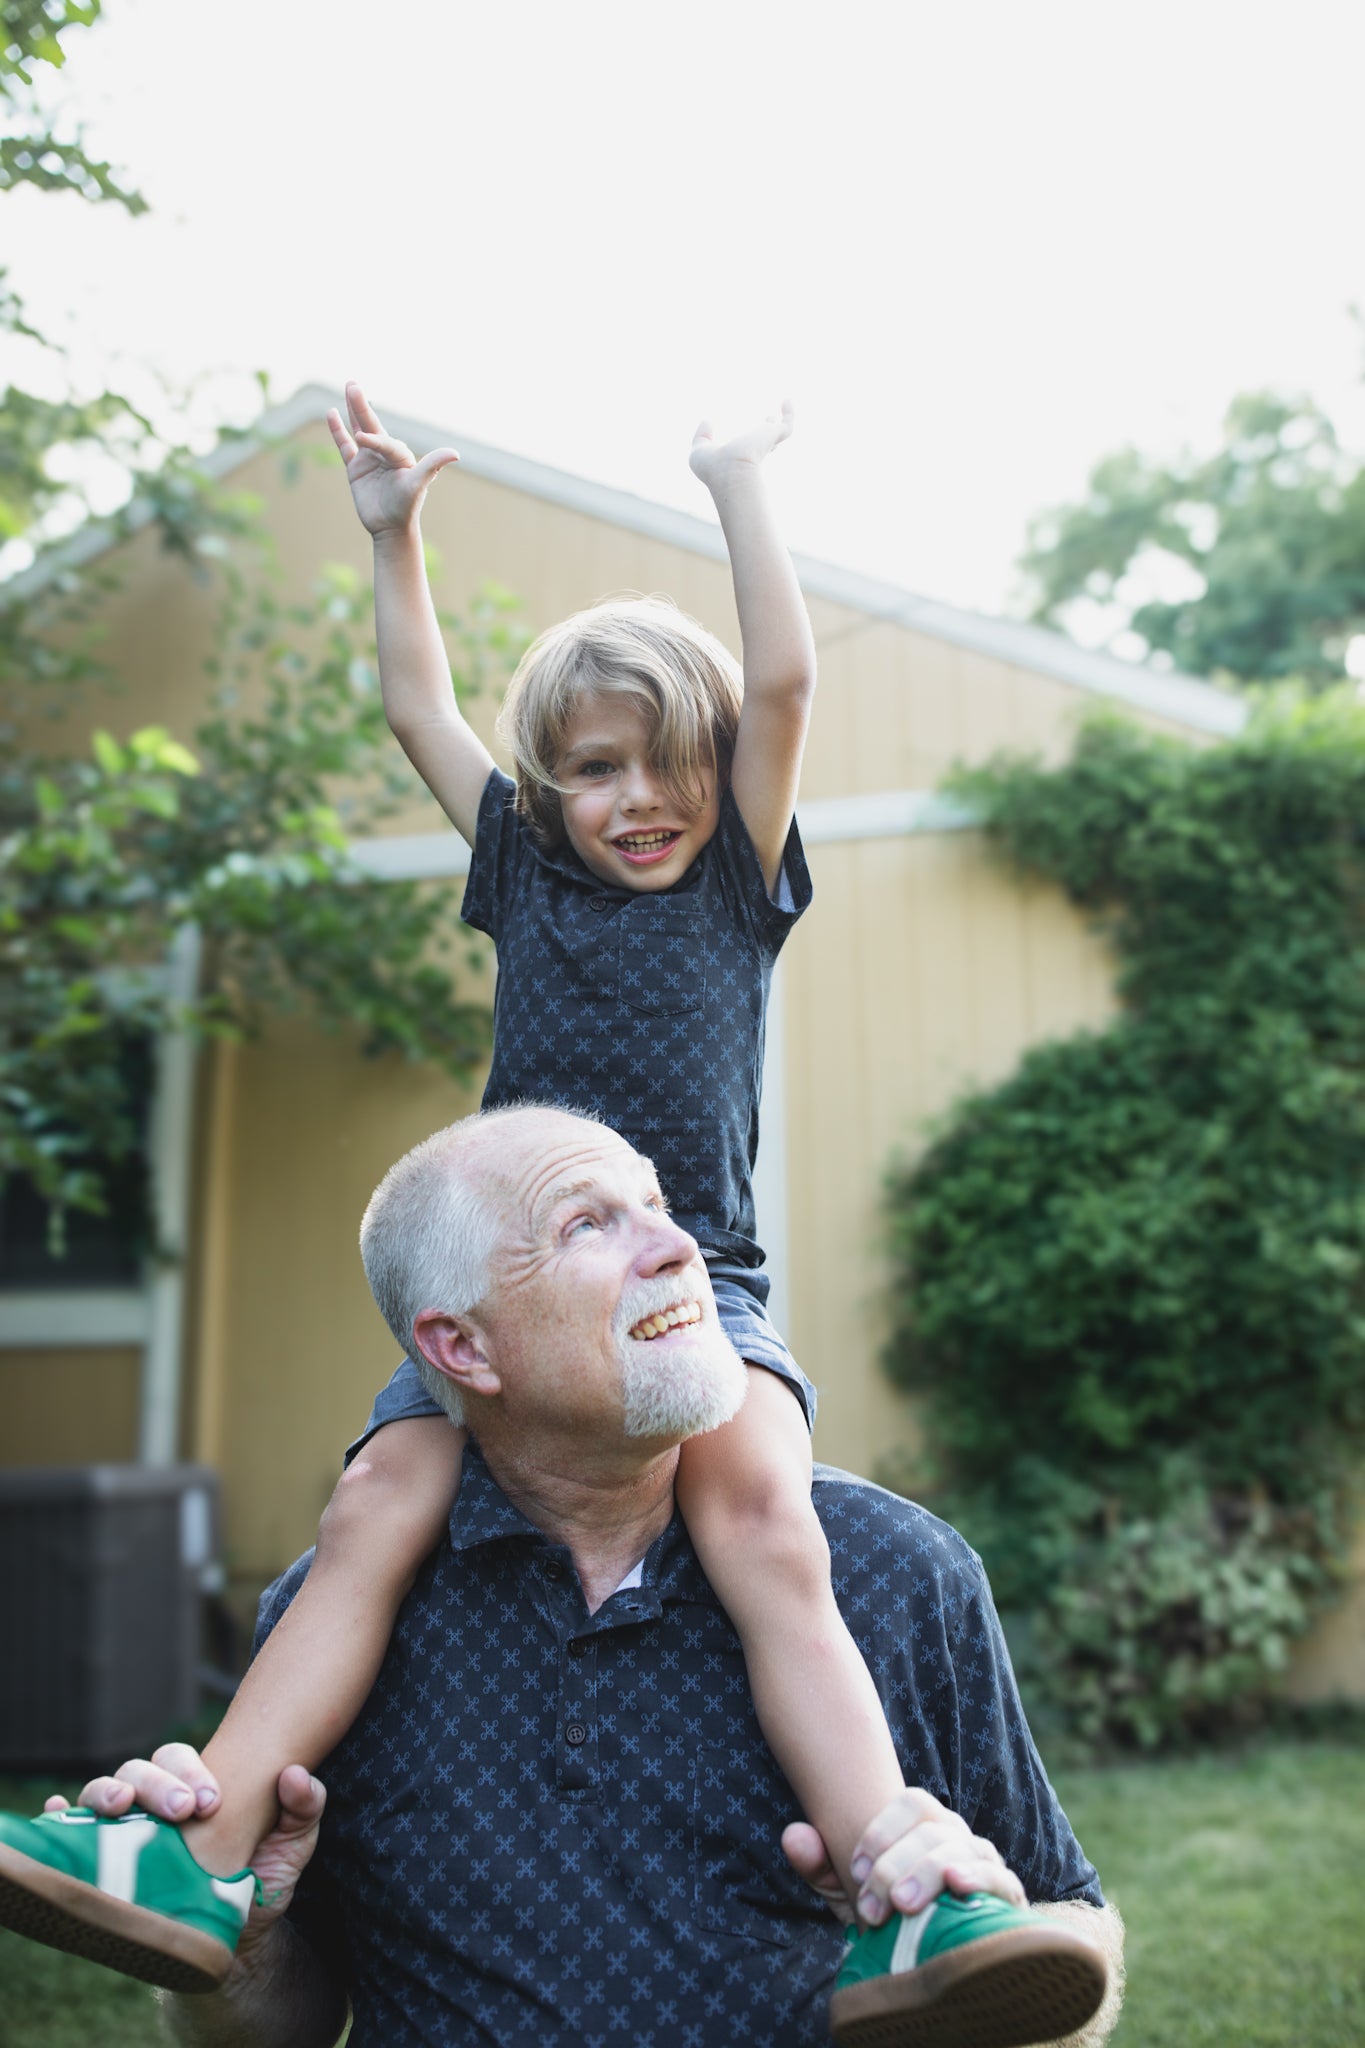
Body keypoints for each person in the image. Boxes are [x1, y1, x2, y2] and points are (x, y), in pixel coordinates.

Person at [0, 390, 1105, 2042]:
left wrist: (736, 483)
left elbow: (786, 679)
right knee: (378, 1496)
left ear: (716, 777)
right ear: (548, 786)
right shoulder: (520, 867)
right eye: (596, 768)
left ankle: (898, 1877)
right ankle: (203, 1843)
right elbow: (414, 704)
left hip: (695, 1281)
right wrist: (391, 536)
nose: (636, 798)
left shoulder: (736, 872)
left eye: (670, 763)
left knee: (763, 1520)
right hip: (522, 1276)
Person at [50, 1108, 1122, 2047]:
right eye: (587, 1224)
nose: (679, 1246)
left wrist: (983, 1929)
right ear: (463, 1348)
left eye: (657, 1205)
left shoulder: (896, 1570)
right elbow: (286, 2024)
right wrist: (241, 1945)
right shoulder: (329, 1619)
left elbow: (1075, 1931)